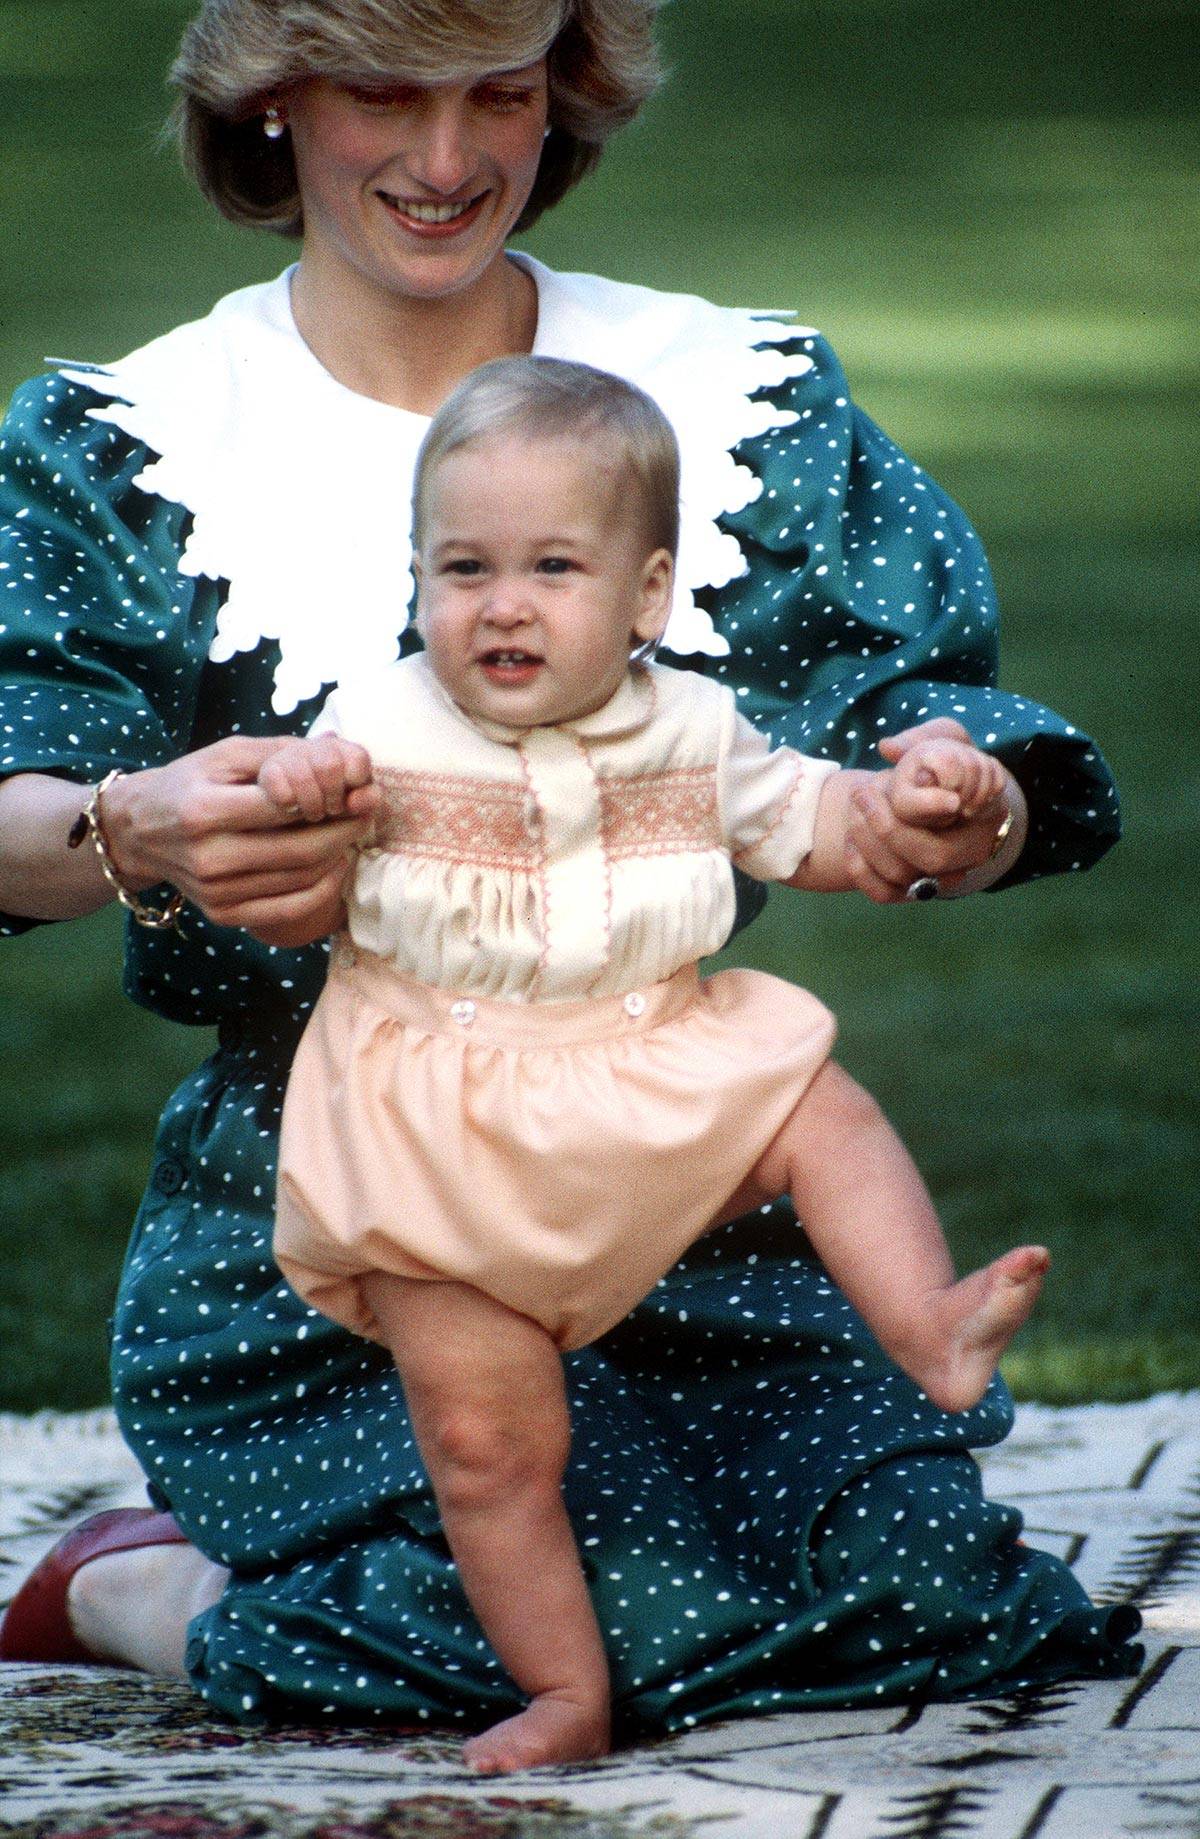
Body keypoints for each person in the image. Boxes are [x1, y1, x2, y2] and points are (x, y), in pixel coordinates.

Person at [0, 0, 1140, 1748]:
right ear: (274, 101)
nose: (451, 162)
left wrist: (947, 804)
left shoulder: (727, 399)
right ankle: (137, 1586)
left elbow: (919, 721)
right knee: (532, 1616)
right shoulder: (125, 445)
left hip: (682, 1182)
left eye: (502, 96)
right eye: (384, 91)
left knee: (937, 1591)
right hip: (344, 1206)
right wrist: (124, 826)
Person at [260, 354, 1053, 1771]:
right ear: (418, 580)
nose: (502, 604)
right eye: (463, 567)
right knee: (492, 1447)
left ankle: (925, 1326)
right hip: (441, 1134)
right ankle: (566, 1692)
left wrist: (919, 798)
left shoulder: (689, 726)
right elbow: (298, 887)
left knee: (817, 1097)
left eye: (553, 567)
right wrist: (296, 806)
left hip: (647, 1077)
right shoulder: (372, 729)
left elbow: (814, 818)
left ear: (645, 597)